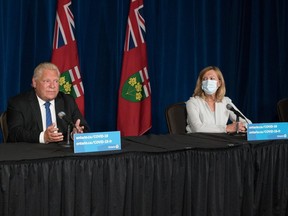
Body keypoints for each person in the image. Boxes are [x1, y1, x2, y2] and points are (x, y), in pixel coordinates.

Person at [7, 62, 89, 143]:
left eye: (56, 81)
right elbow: (15, 133)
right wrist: (43, 137)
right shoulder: (18, 103)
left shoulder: (67, 101)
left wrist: (75, 133)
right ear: (35, 83)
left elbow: (83, 128)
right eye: (47, 81)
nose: (52, 86)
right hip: (32, 153)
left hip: (61, 152)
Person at [186, 66, 251, 133]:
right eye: (205, 79)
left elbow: (247, 122)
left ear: (219, 83)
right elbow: (197, 128)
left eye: (212, 78)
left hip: (219, 140)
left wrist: (242, 127)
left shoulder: (225, 102)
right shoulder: (192, 102)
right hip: (198, 140)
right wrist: (226, 128)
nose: (208, 81)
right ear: (201, 84)